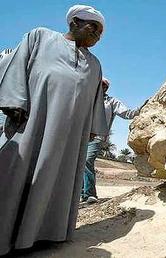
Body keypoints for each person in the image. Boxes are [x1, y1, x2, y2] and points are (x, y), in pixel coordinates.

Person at [0, 5, 108, 255]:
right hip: (30, 124)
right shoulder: (39, 37)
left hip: (69, 138)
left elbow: (95, 101)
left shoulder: (95, 64)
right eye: (94, 28)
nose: (97, 36)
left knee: (56, 178)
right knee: (15, 175)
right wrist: (15, 102)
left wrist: (92, 128)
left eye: (100, 34)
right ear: (74, 23)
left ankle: (43, 235)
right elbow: (15, 66)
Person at [81, 77, 140, 204]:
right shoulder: (87, 98)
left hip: (97, 137)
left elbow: (127, 113)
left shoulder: (111, 101)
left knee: (87, 160)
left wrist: (139, 110)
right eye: (98, 84)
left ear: (106, 88)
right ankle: (80, 192)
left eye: (104, 85)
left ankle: (90, 194)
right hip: (81, 136)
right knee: (78, 164)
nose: (101, 87)